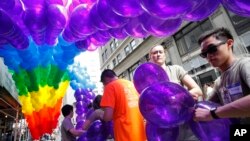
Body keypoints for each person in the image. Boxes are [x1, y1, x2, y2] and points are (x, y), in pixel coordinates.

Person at [194, 27, 250, 123]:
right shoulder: (219, 82)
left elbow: (209, 113)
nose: (208, 56)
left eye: (212, 49)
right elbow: (205, 106)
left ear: (229, 43)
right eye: (204, 54)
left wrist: (211, 114)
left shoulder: (245, 64)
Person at [149, 44, 203, 141]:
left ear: (165, 55)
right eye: (154, 53)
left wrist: (180, 97)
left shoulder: (176, 69)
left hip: (183, 120)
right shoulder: (149, 78)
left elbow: (197, 90)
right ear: (150, 57)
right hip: (163, 125)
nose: (157, 54)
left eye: (160, 52)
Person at [84, 69, 147, 141]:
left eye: (104, 84)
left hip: (125, 133)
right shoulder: (131, 84)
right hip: (140, 132)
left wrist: (102, 116)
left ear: (106, 80)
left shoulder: (110, 87)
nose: (104, 86)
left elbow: (108, 117)